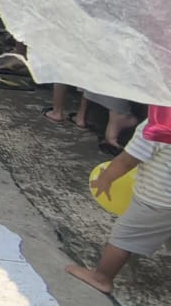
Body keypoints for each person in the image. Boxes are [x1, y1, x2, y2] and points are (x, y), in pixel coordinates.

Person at [66, 119, 171, 296]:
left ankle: (101, 277)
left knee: (124, 237)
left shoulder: (159, 122)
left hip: (156, 199)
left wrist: (105, 178)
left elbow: (127, 161)